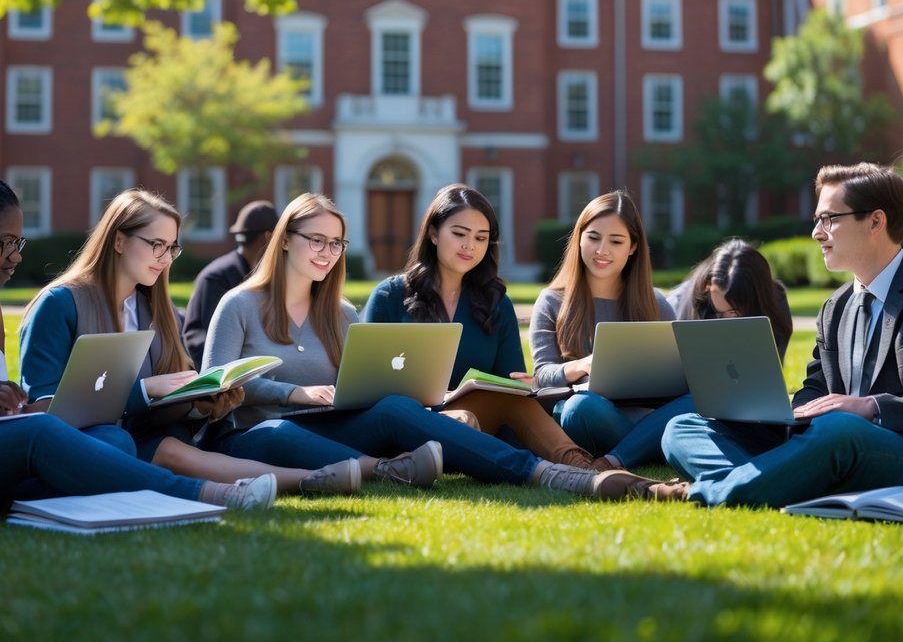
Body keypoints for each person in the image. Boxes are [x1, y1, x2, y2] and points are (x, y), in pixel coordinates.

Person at [0, 173, 264, 516]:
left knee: (111, 441)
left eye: (20, 242)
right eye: (6, 243)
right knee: (42, 435)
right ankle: (206, 493)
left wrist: (17, 408)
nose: (17, 255)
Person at [204, 192, 672, 499]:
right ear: (285, 241)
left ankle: (576, 470)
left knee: (405, 405)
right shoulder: (239, 305)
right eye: (316, 241)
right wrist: (290, 393)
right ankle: (548, 473)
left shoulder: (341, 314)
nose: (327, 252)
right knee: (316, 426)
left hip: (337, 427)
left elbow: (364, 387)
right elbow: (216, 389)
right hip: (264, 429)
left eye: (336, 243)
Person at [659, 162, 903, 507]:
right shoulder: (835, 307)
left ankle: (709, 490)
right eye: (817, 220)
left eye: (830, 219)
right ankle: (781, 480)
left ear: (875, 221)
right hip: (832, 441)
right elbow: (816, 388)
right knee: (683, 428)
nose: (816, 232)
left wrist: (868, 407)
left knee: (838, 430)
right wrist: (786, 413)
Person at [20, 188, 359, 499]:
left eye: (171, 248)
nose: (165, 258)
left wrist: (203, 403)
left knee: (171, 447)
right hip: (79, 441)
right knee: (121, 443)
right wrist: (143, 391)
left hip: (144, 436)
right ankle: (228, 494)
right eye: (155, 245)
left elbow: (165, 405)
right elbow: (41, 411)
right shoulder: (60, 303)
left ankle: (309, 479)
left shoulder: (157, 310)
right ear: (119, 241)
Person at [362, 184, 608, 470]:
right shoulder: (390, 296)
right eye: (459, 234)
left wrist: (521, 385)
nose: (470, 245)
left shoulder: (496, 302)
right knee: (458, 418)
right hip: (407, 424)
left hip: (474, 423)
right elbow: (369, 385)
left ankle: (582, 466)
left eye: (481, 238)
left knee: (510, 401)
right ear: (433, 234)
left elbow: (508, 383)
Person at [529, 191, 684, 471]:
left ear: (633, 247)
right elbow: (541, 376)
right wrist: (581, 366)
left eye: (616, 241)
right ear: (579, 239)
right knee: (578, 408)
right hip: (592, 414)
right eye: (593, 237)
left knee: (699, 398)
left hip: (646, 417)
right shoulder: (552, 301)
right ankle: (649, 449)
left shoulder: (656, 303)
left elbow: (677, 380)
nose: (603, 250)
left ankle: (619, 456)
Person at [183, 200, 278, 365]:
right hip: (222, 382)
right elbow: (202, 341)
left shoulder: (264, 275)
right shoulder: (216, 277)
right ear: (268, 237)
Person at [665, 237, 793, 359]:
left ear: (756, 300)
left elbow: (769, 370)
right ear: (707, 286)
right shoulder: (680, 305)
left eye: (734, 312)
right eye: (718, 314)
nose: (726, 321)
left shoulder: (776, 306)